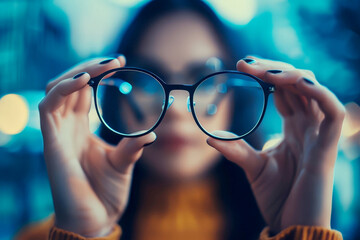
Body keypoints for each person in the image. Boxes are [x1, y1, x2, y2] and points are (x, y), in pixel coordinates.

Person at [16, 0, 345, 239]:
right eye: (147, 79)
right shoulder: (49, 233)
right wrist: (86, 233)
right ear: (115, 95)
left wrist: (299, 231)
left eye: (204, 78)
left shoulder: (301, 220)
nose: (175, 107)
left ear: (236, 96)